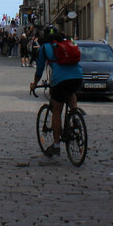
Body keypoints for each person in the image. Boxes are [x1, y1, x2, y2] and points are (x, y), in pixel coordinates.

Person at [30, 26, 83, 157]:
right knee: (71, 92)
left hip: (60, 80)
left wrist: (34, 84)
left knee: (57, 111)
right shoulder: (67, 42)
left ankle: (56, 145)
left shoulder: (45, 47)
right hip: (78, 77)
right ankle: (75, 116)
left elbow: (40, 69)